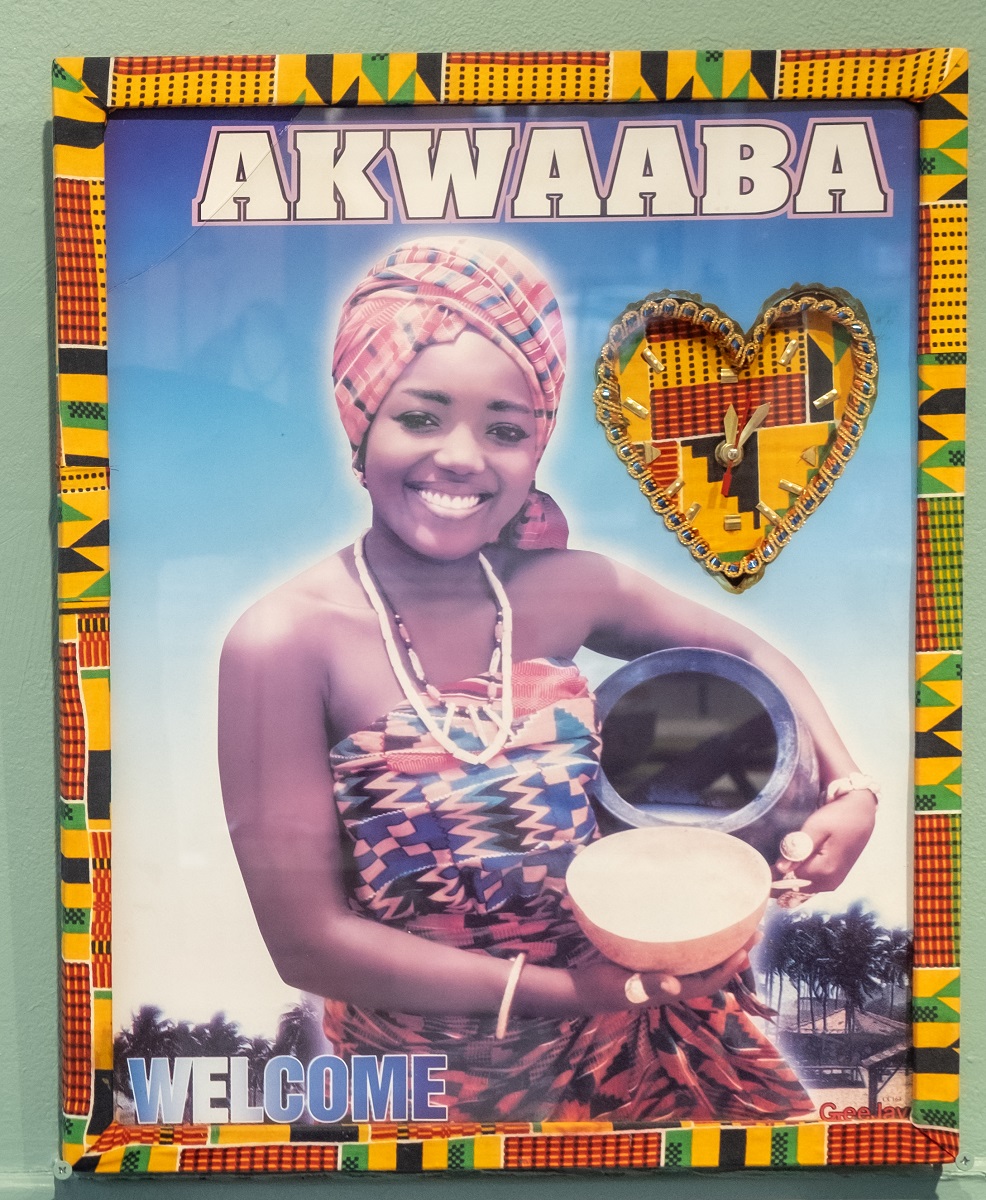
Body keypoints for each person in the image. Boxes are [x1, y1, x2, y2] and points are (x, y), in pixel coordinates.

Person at [218, 237, 877, 1123]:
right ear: (358, 422)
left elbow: (755, 658)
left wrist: (852, 790)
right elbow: (309, 943)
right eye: (420, 417)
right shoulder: (283, 642)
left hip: (673, 1053)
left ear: (537, 448)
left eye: (505, 429)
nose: (462, 458)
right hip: (438, 1091)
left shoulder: (568, 588)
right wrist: (577, 990)